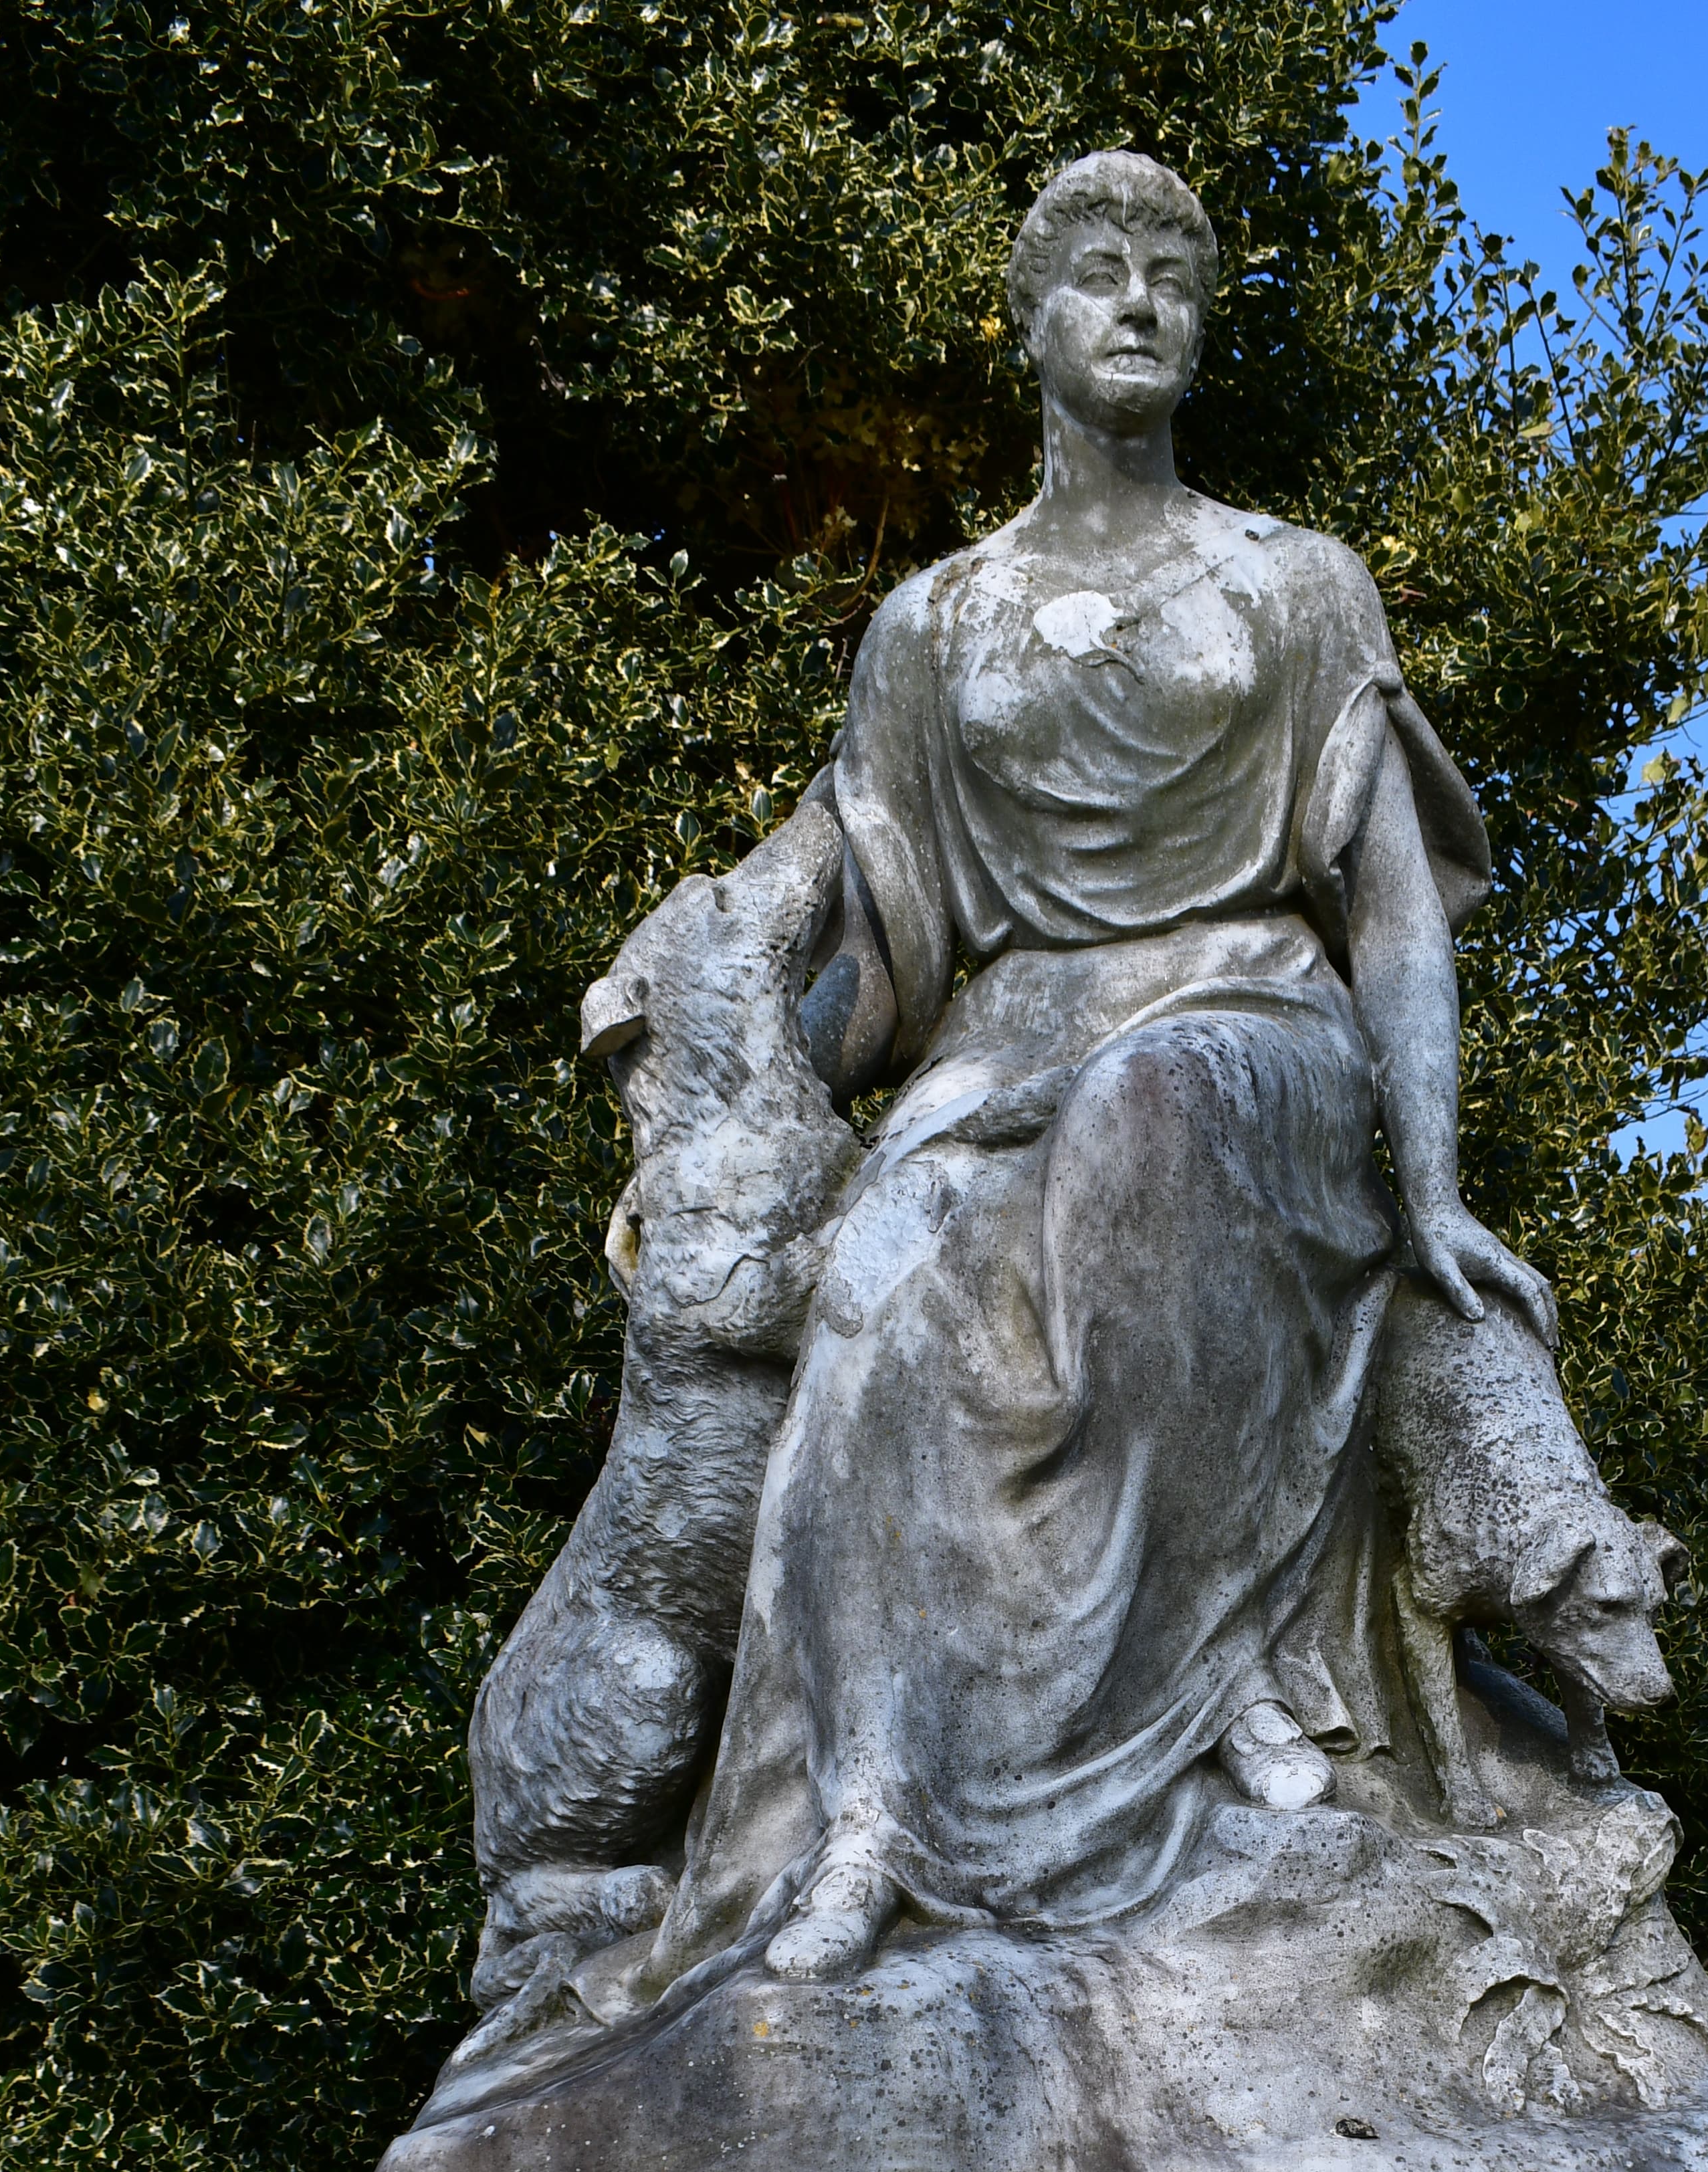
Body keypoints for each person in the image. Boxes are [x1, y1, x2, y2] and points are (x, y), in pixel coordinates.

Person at [643, 148, 1554, 1994]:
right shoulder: (936, 627)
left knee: (1158, 1128)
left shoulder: (1297, 587)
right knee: (884, 1294)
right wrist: (757, 1097)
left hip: (1246, 1026)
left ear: (1200, 329)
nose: (1137, 300)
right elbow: (882, 953)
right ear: (1033, 323)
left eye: (1171, 276)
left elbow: (1393, 915)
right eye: (1096, 273)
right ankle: (874, 1815)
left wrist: (1438, 1191)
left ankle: (1218, 1681)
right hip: (1003, 1047)